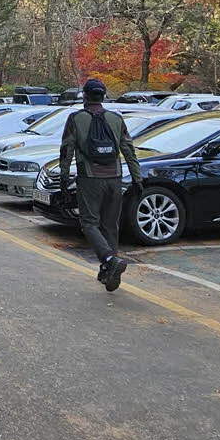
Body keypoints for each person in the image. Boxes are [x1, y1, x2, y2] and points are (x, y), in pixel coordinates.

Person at [58, 78, 142, 291]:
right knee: (110, 226)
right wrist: (137, 178)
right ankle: (108, 270)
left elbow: (66, 151)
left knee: (89, 223)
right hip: (115, 178)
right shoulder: (116, 119)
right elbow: (129, 150)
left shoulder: (76, 119)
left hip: (90, 179)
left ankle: (109, 260)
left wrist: (64, 177)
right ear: (103, 96)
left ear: (84, 96)